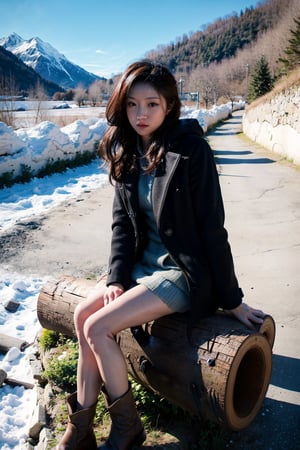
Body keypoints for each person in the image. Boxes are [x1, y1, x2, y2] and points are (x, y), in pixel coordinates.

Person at [56, 60, 265, 450]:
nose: (141, 114)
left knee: (98, 328)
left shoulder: (191, 152)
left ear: (170, 105)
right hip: (140, 268)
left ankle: (127, 427)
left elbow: (212, 230)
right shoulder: (128, 150)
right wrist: (117, 277)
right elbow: (122, 225)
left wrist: (233, 301)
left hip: (179, 273)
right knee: (82, 315)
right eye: (133, 104)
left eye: (152, 104)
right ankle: (81, 425)